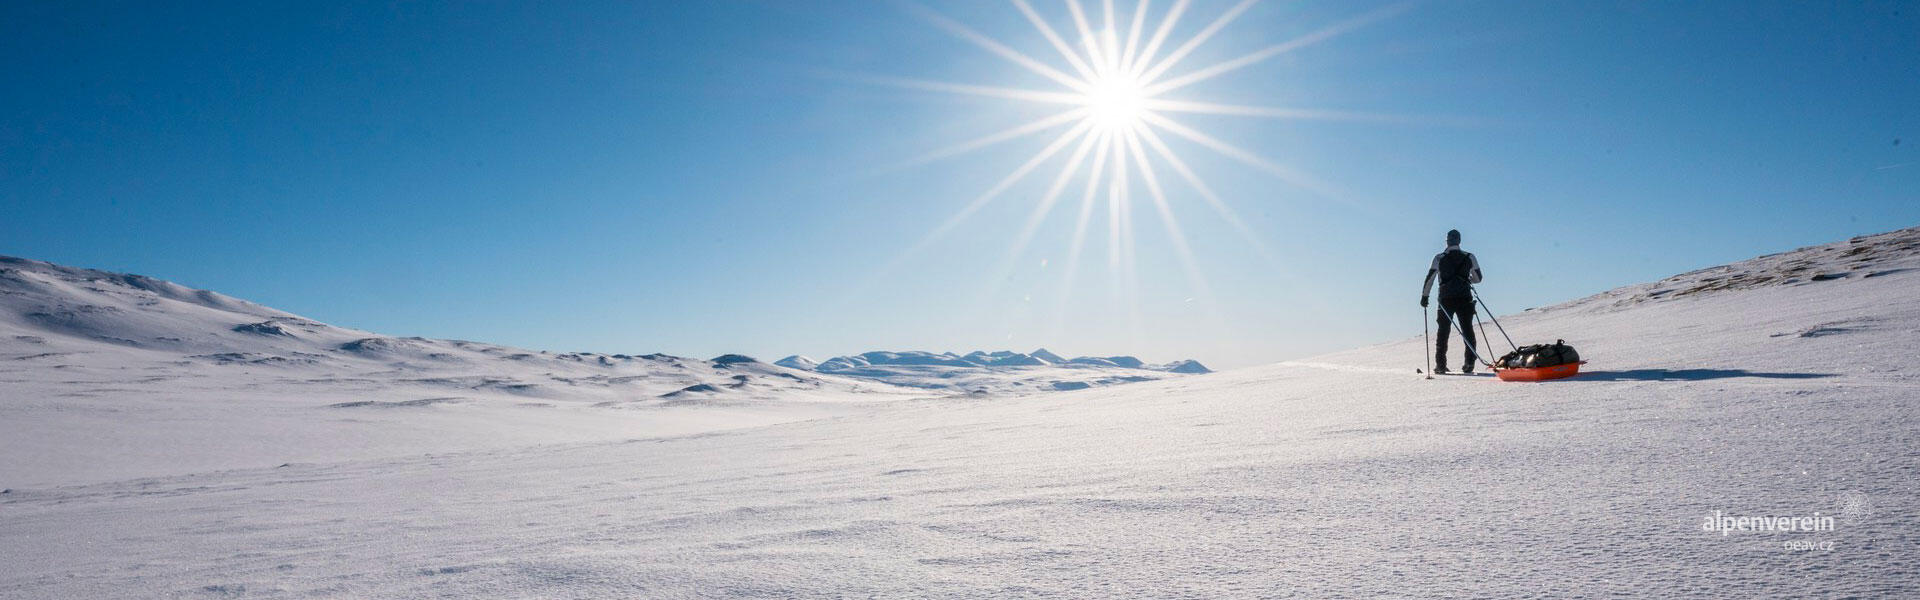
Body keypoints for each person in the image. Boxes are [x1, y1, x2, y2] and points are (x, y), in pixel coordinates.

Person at [1421, 229, 1483, 373]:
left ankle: (1441, 365)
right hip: (1465, 298)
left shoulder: (1439, 258)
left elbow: (1430, 279)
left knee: (1443, 333)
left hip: (1445, 299)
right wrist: (1468, 280)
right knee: (1468, 330)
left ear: (1447, 241)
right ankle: (1469, 363)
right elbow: (1478, 278)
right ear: (1459, 241)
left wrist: (1425, 297)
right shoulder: (1469, 256)